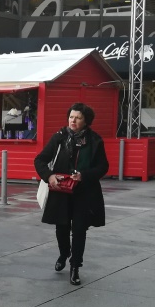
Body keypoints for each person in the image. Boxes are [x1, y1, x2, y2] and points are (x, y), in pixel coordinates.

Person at [34, 103, 109, 286]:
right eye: (71, 117)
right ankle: (63, 253)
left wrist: (84, 175)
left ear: (86, 121)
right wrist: (49, 176)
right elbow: (40, 160)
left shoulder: (94, 140)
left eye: (78, 118)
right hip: (61, 191)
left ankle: (75, 266)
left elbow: (103, 166)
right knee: (62, 227)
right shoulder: (59, 137)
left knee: (79, 230)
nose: (73, 120)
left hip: (84, 192)